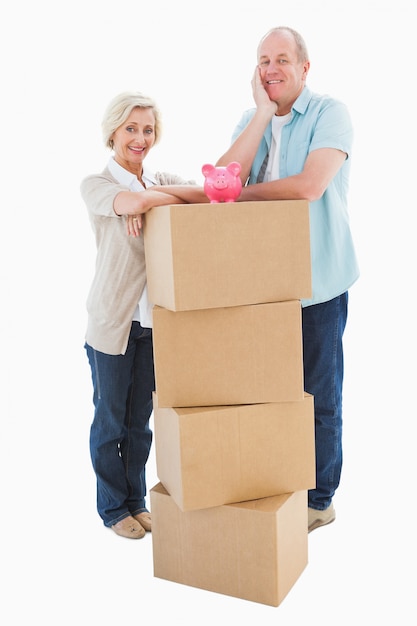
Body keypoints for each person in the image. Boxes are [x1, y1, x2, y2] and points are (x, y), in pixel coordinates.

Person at [155, 26, 359, 533]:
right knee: (263, 394)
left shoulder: (330, 113)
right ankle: (276, 479)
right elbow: (220, 178)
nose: (271, 69)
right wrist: (263, 116)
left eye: (282, 59)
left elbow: (310, 186)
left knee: (318, 393)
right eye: (264, 60)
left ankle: (319, 498)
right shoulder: (253, 118)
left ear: (304, 68)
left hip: (316, 284)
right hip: (259, 288)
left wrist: (237, 196)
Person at [80, 91, 196, 539]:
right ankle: (113, 508)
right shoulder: (97, 184)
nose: (140, 138)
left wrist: (152, 197)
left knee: (139, 422)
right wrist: (141, 201)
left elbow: (205, 194)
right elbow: (127, 205)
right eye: (131, 128)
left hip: (153, 324)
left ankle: (136, 501)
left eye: (148, 130)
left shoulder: (158, 178)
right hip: (113, 322)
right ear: (113, 132)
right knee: (111, 421)